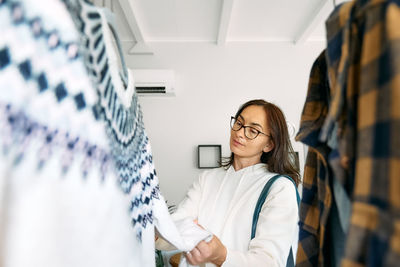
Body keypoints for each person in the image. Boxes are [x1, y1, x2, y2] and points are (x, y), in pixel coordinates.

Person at [157, 99, 300, 267]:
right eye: (239, 123)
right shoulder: (208, 178)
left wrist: (221, 256)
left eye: (253, 130)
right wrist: (156, 233)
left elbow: (269, 261)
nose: (239, 133)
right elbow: (177, 226)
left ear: (269, 144)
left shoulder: (280, 188)